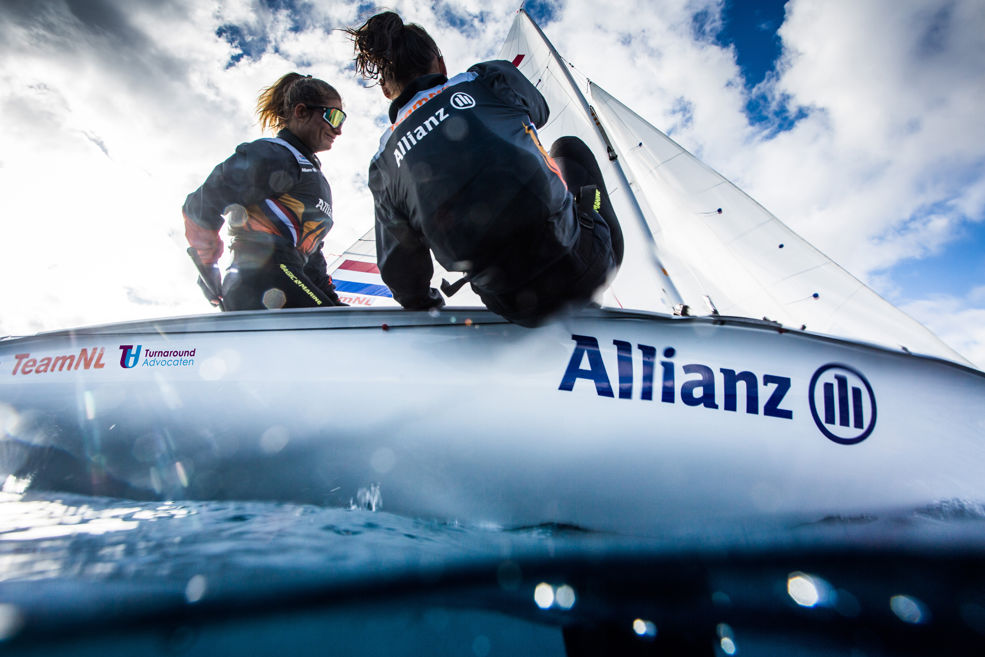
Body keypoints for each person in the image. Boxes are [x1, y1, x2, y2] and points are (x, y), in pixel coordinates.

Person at [346, 11, 623, 327]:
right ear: (440, 64)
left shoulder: (383, 162)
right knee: (568, 148)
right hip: (591, 264)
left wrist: (427, 304)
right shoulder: (486, 78)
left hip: (515, 306)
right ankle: (587, 252)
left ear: (386, 91)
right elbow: (539, 110)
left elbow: (402, 272)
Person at [182, 73, 347, 311]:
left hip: (287, 275)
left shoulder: (310, 172)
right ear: (301, 112)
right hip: (262, 278)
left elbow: (312, 263)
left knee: (337, 320)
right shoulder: (275, 154)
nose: (338, 130)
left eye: (343, 120)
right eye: (333, 116)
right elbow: (203, 201)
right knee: (336, 327)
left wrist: (338, 307)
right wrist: (206, 263)